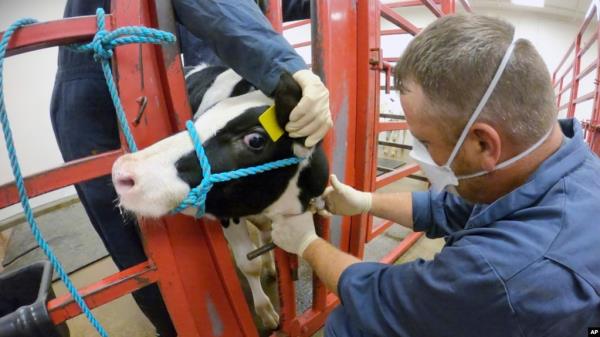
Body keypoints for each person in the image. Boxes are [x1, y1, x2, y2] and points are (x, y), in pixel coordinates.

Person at [271, 14, 600, 337]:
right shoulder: (567, 170)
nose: (420, 154)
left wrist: (307, 243)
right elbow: (455, 209)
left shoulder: (504, 273)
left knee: (352, 322)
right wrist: (367, 201)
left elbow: (383, 299)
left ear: (484, 144)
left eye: (426, 142)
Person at [50, 1, 330, 336]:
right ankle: (176, 327)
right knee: (146, 251)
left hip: (188, 65)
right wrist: (283, 63)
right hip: (100, 77)